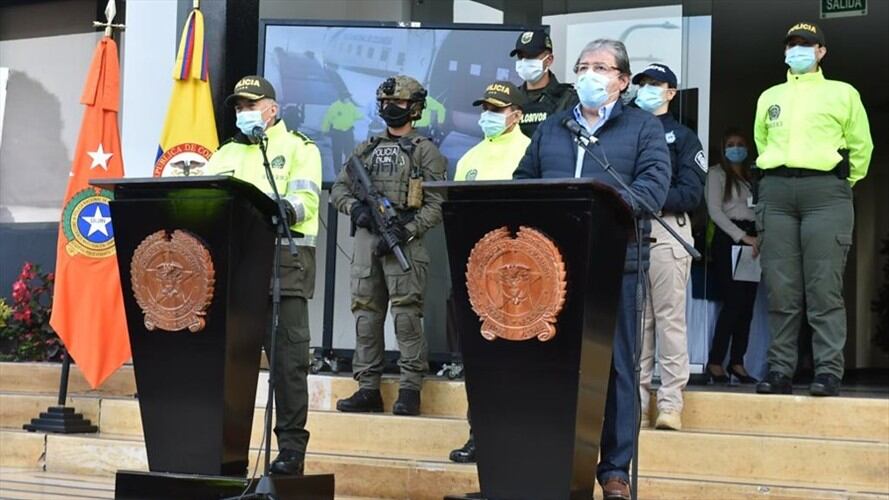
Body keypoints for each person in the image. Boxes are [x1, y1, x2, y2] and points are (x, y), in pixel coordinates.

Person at [514, 39, 670, 500]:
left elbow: (652, 189)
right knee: (556, 364)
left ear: (622, 80)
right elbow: (524, 181)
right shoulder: (555, 127)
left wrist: (600, 211)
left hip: (617, 264)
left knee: (618, 369)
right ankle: (557, 460)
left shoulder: (643, 128)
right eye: (583, 66)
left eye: (600, 67)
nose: (588, 75)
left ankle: (615, 469)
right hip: (553, 267)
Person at [206, 75, 322, 476]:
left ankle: (290, 450)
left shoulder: (300, 148)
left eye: (251, 106)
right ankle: (223, 452)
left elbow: (305, 202)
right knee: (228, 366)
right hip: (233, 272)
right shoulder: (223, 154)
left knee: (288, 365)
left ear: (272, 109)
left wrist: (279, 209)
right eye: (239, 107)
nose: (244, 113)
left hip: (281, 269)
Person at [753, 22, 872, 397]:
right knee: (781, 290)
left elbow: (861, 146)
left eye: (806, 44)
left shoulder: (843, 93)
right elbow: (762, 142)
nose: (798, 50)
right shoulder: (770, 96)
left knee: (824, 289)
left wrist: (841, 185)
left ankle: (828, 372)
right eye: (792, 44)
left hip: (825, 193)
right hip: (776, 192)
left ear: (821, 52)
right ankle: (779, 370)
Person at [330, 75, 447, 416]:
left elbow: (436, 203)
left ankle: (410, 390)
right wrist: (357, 210)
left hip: (404, 241)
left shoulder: (425, 151)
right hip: (367, 241)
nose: (390, 107)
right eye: (386, 102)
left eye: (398, 102)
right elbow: (339, 190)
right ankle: (367, 388)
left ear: (414, 108)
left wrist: (407, 231)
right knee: (366, 315)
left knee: (407, 317)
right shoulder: (365, 149)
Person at [448, 81, 528, 463]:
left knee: (517, 359)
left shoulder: (530, 152)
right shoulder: (469, 157)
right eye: (486, 109)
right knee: (479, 359)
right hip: (476, 270)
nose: (488, 116)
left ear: (517, 115)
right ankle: (479, 434)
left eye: (497, 110)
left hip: (517, 273)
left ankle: (517, 436)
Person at [632, 63, 706, 431]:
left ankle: (670, 404)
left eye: (655, 84)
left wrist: (648, 196)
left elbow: (692, 193)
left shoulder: (684, 137)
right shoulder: (628, 128)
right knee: (636, 323)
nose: (647, 89)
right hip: (630, 230)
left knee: (669, 320)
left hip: (667, 229)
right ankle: (634, 405)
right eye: (642, 83)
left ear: (671, 92)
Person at [706, 128, 760, 385]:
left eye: (740, 144)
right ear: (723, 147)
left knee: (747, 305)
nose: (736, 148)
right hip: (730, 239)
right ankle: (716, 362)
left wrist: (757, 237)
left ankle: (738, 362)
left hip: (754, 240)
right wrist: (741, 236)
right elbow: (715, 212)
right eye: (731, 144)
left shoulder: (753, 175)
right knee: (733, 302)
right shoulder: (716, 174)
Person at [510, 29, 578, 138]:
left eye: (531, 56)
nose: (524, 61)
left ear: (549, 60)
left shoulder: (568, 99)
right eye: (521, 56)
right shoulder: (511, 98)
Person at [320, 91, 362, 167]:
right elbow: (327, 119)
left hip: (348, 132)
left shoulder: (351, 106)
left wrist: (361, 117)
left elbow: (358, 115)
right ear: (341, 97)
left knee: (349, 152)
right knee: (337, 152)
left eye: (348, 97)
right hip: (337, 133)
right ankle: (337, 169)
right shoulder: (334, 106)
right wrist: (324, 130)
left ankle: (348, 168)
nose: (347, 98)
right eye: (346, 97)